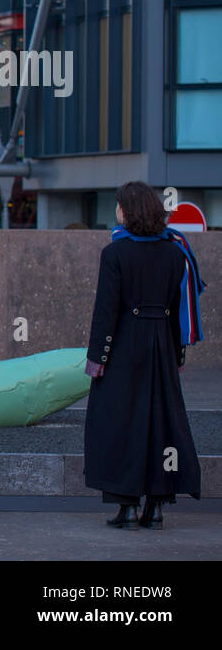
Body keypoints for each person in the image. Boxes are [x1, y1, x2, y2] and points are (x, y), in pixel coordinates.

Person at [84, 181, 206, 530]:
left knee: (121, 424)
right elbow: (177, 308)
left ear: (128, 210)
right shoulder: (174, 252)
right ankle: (156, 506)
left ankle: (126, 506)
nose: (116, 211)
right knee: (161, 424)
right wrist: (177, 355)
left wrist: (98, 356)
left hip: (124, 347)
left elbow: (105, 311)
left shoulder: (115, 253)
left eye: (119, 205)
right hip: (161, 347)